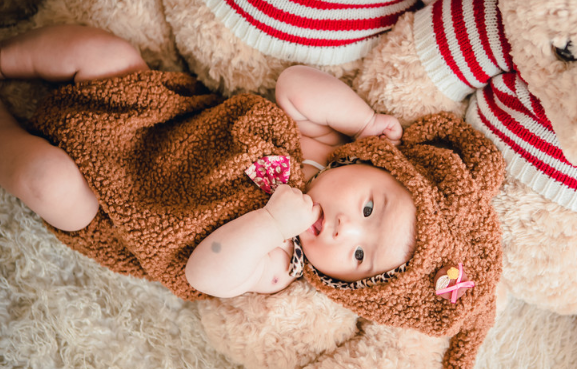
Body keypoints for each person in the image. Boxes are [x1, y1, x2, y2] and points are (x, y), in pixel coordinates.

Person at [0, 25, 416, 298]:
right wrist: (365, 122)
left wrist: (272, 223)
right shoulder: (326, 147)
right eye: (367, 208)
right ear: (374, 164)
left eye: (359, 257)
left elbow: (206, 274)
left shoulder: (281, 261)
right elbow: (295, 85)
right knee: (106, 53)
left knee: (46, 181)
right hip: (153, 119)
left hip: (113, 209)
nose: (347, 230)